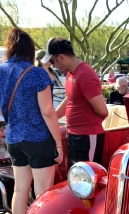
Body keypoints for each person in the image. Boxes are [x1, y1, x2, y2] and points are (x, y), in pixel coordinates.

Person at [0, 28, 63, 214]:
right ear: (29, 50)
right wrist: (58, 143)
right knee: (43, 194)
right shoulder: (37, 74)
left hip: (13, 137)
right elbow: (48, 111)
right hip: (39, 138)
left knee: (20, 190)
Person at [42, 37, 108, 167]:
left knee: (87, 177)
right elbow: (70, 99)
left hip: (87, 136)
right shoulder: (71, 74)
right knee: (75, 176)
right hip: (74, 134)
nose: (53, 66)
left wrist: (87, 124)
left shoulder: (85, 75)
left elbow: (103, 111)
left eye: (52, 61)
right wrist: (53, 116)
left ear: (61, 57)